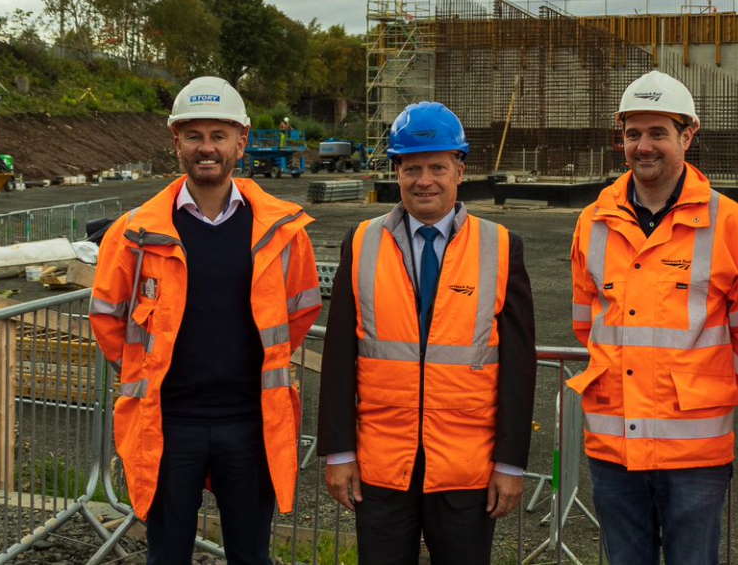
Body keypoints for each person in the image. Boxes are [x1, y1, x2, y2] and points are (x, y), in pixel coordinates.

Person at [89, 76, 322, 565]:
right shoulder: (134, 233)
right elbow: (108, 321)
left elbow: (300, 313)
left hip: (251, 420)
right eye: (194, 136)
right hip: (170, 424)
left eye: (219, 135)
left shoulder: (282, 230)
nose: (207, 148)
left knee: (250, 553)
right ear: (176, 142)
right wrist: (146, 373)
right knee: (167, 553)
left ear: (242, 139)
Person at [318, 101, 536, 565]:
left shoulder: (500, 247)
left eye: (438, 166)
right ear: (396, 171)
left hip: (466, 469)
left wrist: (511, 463)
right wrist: (338, 453)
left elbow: (519, 367)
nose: (425, 180)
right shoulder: (361, 243)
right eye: (412, 167)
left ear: (460, 169)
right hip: (381, 467)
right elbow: (339, 357)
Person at [569, 70, 738, 565]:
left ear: (688, 135)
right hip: (613, 447)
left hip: (694, 455)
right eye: (633, 133)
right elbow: (586, 322)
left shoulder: (731, 224)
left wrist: (710, 390)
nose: (643, 146)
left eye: (658, 132)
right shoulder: (592, 222)